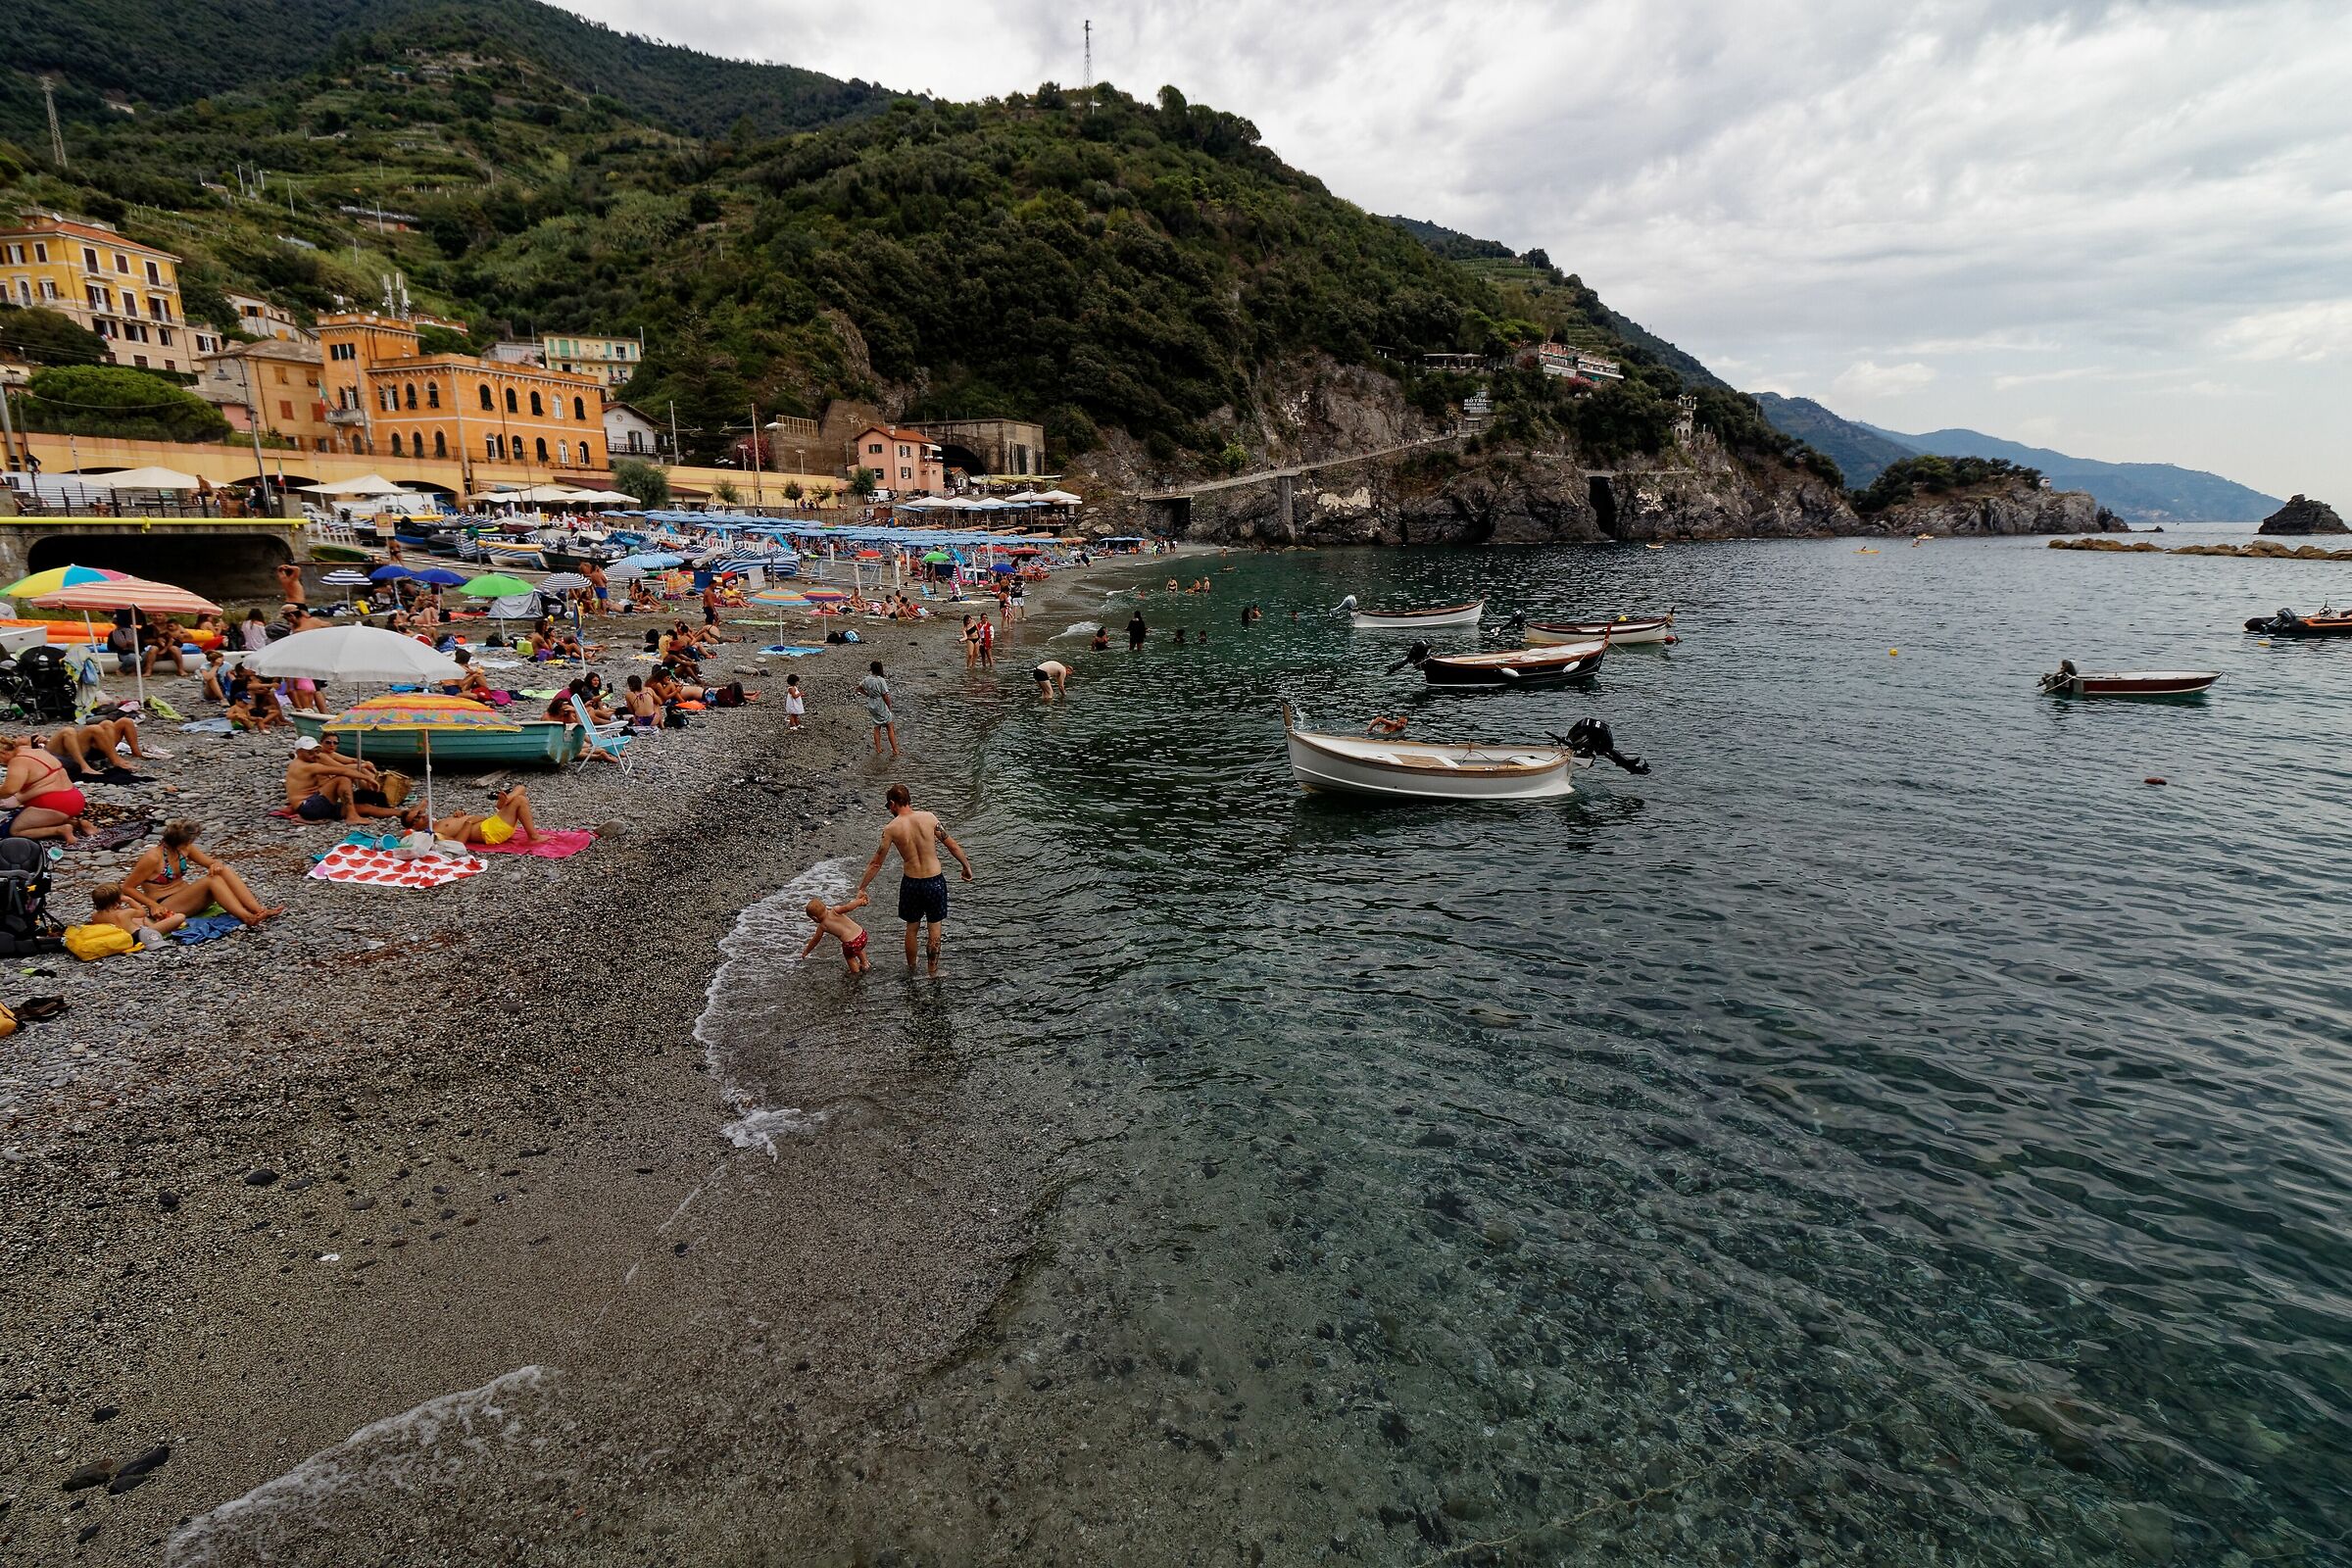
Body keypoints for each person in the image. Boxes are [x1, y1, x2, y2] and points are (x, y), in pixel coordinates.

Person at [855, 782, 974, 973]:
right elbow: (951, 845)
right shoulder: (929, 818)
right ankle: (932, 973)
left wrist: (862, 887)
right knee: (934, 928)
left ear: (893, 803)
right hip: (935, 881)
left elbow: (876, 863)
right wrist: (966, 866)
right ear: (908, 801)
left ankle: (911, 970)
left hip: (911, 883)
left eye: (888, 806)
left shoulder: (891, 829)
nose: (889, 810)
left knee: (912, 928)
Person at [122, 819, 282, 925]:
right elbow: (127, 888)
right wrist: (153, 905)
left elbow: (211, 862)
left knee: (221, 871)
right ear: (180, 843)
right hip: (166, 903)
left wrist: (216, 864)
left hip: (188, 897)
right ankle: (246, 917)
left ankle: (258, 910)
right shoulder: (153, 858)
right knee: (211, 880)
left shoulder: (184, 849)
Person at [284, 736, 398, 823]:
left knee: (365, 808)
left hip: (316, 806)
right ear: (299, 752)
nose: (314, 755)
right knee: (342, 779)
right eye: (310, 752)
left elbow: (347, 763)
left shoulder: (310, 761)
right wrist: (367, 778)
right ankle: (352, 816)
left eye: (316, 751)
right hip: (309, 807)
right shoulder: (306, 766)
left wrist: (363, 766)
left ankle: (404, 813)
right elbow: (341, 771)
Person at [0, 736, 85, 844]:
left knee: (15, 830)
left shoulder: (18, 761)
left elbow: (9, 790)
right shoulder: (38, 752)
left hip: (54, 805)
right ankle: (79, 824)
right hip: (75, 798)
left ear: (3, 753)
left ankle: (60, 830)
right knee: (36, 818)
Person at [410, 783, 540, 847]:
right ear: (414, 828)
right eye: (417, 818)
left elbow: (456, 826)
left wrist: (460, 815)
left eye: (420, 814)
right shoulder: (435, 833)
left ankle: (505, 802)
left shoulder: (438, 823)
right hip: (490, 831)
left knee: (521, 788)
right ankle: (533, 836)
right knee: (520, 800)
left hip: (490, 825)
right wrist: (469, 822)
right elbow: (458, 843)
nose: (421, 816)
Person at [48, 714, 149, 776]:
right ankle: (113, 759)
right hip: (68, 754)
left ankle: (136, 753)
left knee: (114, 722)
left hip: (90, 750)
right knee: (85, 729)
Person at [89, 882, 185, 947]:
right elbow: (142, 912)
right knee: (180, 916)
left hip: (125, 937)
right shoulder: (124, 913)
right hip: (141, 936)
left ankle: (156, 924)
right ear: (117, 901)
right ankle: (158, 925)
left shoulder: (95, 916)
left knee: (138, 920)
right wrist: (130, 900)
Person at [799, 892, 872, 975]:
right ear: (825, 907)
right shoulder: (835, 910)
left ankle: (855, 972)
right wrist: (860, 901)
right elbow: (848, 907)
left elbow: (815, 940)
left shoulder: (822, 926)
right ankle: (865, 963)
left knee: (850, 958)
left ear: (815, 918)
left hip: (850, 943)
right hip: (862, 934)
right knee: (859, 948)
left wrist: (806, 952)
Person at [858, 662, 898, 759]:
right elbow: (885, 695)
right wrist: (889, 705)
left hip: (871, 704)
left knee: (876, 727)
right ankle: (895, 750)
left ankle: (878, 749)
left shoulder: (867, 679)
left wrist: (867, 694)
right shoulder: (880, 680)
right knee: (889, 726)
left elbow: (859, 688)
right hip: (880, 704)